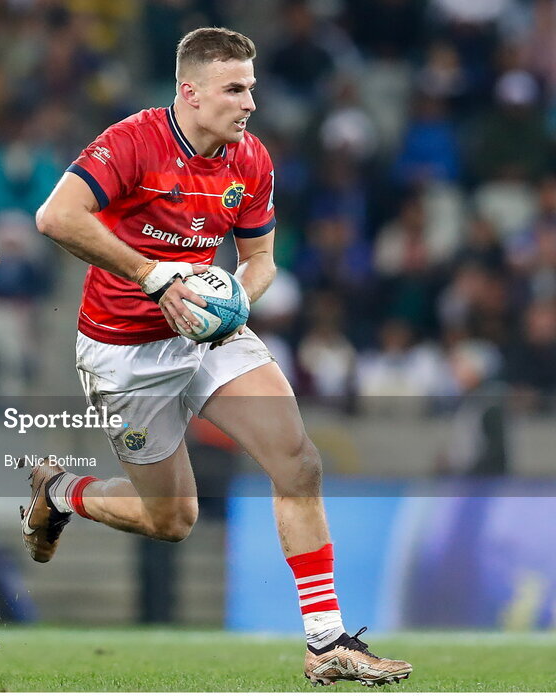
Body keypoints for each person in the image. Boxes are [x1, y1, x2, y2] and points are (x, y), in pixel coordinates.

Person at [25, 27, 411, 686]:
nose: (250, 103)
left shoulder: (250, 159)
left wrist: (231, 297)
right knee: (172, 519)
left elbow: (259, 261)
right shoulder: (132, 142)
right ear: (191, 93)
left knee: (297, 457)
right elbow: (55, 217)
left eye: (252, 88)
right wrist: (155, 279)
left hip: (205, 330)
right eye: (235, 89)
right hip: (125, 351)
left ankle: (325, 642)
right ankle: (59, 492)